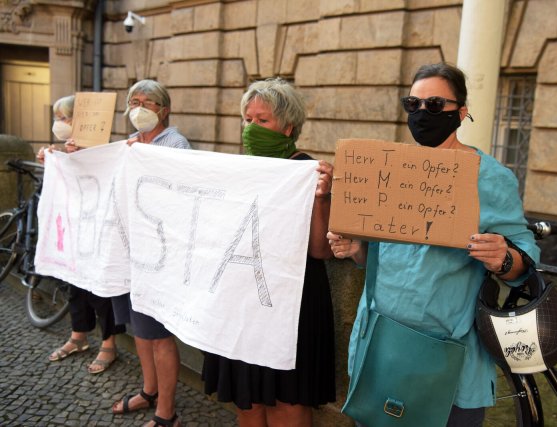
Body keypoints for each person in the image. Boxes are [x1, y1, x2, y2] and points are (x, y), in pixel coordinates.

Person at [327, 62, 541, 426]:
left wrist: (503, 258)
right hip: (380, 342)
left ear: (461, 112)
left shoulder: (489, 178)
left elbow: (525, 258)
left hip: (445, 352)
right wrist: (357, 250)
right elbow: (383, 253)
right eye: (413, 104)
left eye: (435, 105)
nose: (423, 114)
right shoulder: (390, 168)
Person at [201, 77, 336, 427]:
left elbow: (320, 250)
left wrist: (322, 198)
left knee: (286, 402)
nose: (252, 128)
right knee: (249, 401)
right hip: (244, 301)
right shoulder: (240, 169)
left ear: (288, 126)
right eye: (248, 120)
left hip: (293, 305)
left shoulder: (308, 171)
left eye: (263, 120)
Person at [105, 80, 190, 427]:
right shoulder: (128, 145)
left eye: (148, 102)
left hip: (160, 256)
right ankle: (149, 389)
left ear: (164, 110)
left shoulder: (176, 145)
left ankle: (166, 411)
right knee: (140, 330)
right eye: (134, 101)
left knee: (159, 335)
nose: (139, 107)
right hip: (130, 252)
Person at [42, 95, 126, 375]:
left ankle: (109, 343)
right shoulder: (69, 148)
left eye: (66, 118)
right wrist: (54, 159)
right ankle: (79, 336)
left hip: (99, 228)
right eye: (58, 118)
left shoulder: (103, 148)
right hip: (76, 228)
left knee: (98, 288)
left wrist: (84, 154)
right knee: (74, 284)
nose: (60, 124)